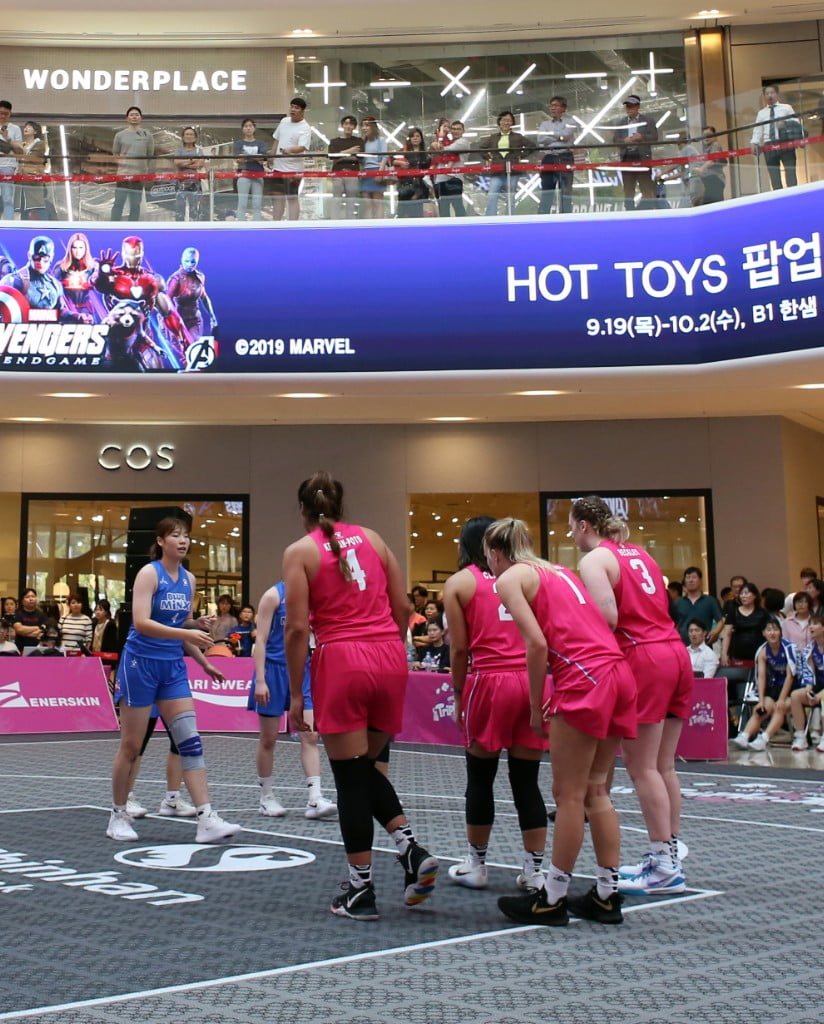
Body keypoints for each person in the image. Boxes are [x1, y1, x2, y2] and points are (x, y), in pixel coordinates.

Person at [282, 470, 438, 921]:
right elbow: (403, 608)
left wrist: (296, 694)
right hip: (388, 657)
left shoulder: (300, 552)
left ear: (302, 510)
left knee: (350, 778)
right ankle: (409, 850)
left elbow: (295, 629)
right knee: (366, 769)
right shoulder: (373, 538)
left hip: (343, 659)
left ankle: (360, 889)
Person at [485, 518, 636, 927]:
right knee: (596, 789)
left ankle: (551, 897)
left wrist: (536, 706)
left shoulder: (509, 578)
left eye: (488, 558)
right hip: (618, 673)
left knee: (568, 795)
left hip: (586, 678)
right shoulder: (559, 570)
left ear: (495, 552)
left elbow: (536, 643)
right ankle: (607, 894)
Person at [569, 496, 693, 896]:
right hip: (674, 651)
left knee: (643, 768)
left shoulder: (594, 560)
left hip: (644, 656)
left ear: (583, 526)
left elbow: (607, 615)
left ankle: (664, 862)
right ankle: (668, 852)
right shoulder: (638, 552)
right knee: (663, 766)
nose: (571, 533)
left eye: (571, 526)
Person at [107, 515, 239, 843]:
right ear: (161, 541)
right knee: (132, 746)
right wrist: (188, 630)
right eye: (175, 535)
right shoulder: (149, 574)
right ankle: (118, 814)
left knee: (189, 739)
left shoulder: (189, 580)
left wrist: (202, 658)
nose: (183, 540)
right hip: (139, 665)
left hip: (172, 668)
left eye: (186, 536)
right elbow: (142, 622)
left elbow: (181, 631)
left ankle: (206, 818)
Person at [442, 516, 549, 893]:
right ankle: (534, 871)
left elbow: (458, 648)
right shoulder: (532, 575)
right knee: (527, 782)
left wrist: (457, 693)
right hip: (530, 678)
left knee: (480, 778)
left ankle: (476, 863)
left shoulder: (459, 583)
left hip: (488, 682)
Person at [248, 581, 337, 820]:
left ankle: (315, 798)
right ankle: (266, 798)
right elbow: (261, 641)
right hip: (273, 672)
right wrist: (260, 679)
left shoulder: (316, 597)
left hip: (303, 671)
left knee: (310, 735)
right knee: (269, 738)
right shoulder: (273, 595)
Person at [732, 618, 798, 751]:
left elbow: (790, 677)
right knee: (761, 708)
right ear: (763, 633)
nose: (772, 633)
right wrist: (761, 700)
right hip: (773, 688)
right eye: (769, 630)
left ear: (780, 632)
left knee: (780, 707)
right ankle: (744, 736)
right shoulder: (762, 651)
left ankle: (764, 738)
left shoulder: (789, 648)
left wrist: (781, 699)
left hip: (791, 689)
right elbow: (761, 677)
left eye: (775, 629)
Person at [613, 94, 658, 210]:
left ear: (638, 107)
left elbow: (654, 137)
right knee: (628, 189)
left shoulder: (648, 121)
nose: (629, 109)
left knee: (646, 187)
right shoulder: (621, 122)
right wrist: (624, 140)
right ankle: (629, 213)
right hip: (627, 158)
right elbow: (615, 140)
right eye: (627, 107)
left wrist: (641, 137)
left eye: (631, 106)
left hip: (642, 158)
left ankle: (647, 212)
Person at [270, 97, 312, 221]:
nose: (293, 109)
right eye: (292, 106)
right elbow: (276, 139)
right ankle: (275, 224)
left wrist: (290, 150)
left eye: (296, 108)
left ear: (302, 111)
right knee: (278, 198)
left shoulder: (305, 127)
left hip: (293, 170)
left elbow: (303, 147)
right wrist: (272, 155)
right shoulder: (284, 121)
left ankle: (293, 224)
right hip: (278, 168)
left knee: (292, 198)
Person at [751, 84, 799, 191]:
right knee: (774, 177)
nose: (769, 95)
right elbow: (758, 130)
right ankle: (780, 201)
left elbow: (796, 122)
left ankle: (794, 198)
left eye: (772, 93)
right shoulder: (761, 113)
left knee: (790, 174)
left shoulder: (786, 108)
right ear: (764, 96)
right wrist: (755, 143)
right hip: (769, 145)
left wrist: (785, 123)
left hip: (786, 142)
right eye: (767, 94)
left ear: (776, 94)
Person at [482, 111, 530, 216]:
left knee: (510, 197)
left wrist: (521, 156)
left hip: (512, 171)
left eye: (509, 120)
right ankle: (490, 218)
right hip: (497, 170)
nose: (506, 123)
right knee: (492, 195)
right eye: (504, 120)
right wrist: (488, 157)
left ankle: (510, 217)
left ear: (512, 123)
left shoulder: (518, 137)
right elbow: (481, 148)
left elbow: (531, 146)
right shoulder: (493, 137)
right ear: (499, 122)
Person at [166, 247, 218, 344]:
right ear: (182, 259)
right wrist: (167, 322)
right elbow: (166, 301)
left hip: (195, 320)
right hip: (178, 320)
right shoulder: (176, 279)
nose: (190, 264)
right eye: (187, 261)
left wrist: (212, 316)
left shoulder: (200, 277)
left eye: (193, 262)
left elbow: (204, 297)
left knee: (194, 347)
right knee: (181, 351)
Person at [111, 106, 155, 221]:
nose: (134, 117)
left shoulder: (147, 135)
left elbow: (150, 154)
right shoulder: (120, 135)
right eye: (131, 115)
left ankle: (133, 228)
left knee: (135, 204)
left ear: (141, 118)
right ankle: (113, 227)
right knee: (118, 202)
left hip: (139, 176)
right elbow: (115, 154)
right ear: (127, 118)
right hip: (123, 174)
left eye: (136, 114)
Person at [789, 615, 824, 752]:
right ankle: (800, 737)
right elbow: (809, 672)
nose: (811, 627)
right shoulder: (810, 648)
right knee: (796, 695)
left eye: (815, 624)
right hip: (819, 687)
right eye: (810, 624)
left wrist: (820, 696)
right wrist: (809, 689)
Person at [537, 96, 576, 214]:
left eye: (556, 105)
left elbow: (566, 135)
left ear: (563, 108)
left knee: (565, 191)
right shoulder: (544, 123)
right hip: (548, 157)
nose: (552, 108)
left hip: (565, 157)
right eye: (551, 106)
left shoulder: (571, 121)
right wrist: (559, 136)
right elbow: (540, 139)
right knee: (547, 190)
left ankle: (566, 217)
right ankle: (543, 217)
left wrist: (550, 135)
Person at [720, 582, 772, 666]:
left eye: (746, 593)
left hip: (759, 653)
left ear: (754, 595)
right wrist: (724, 654)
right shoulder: (733, 612)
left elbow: (769, 633)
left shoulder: (763, 613)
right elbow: (727, 634)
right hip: (738, 654)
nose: (743, 596)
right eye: (741, 593)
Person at [53, 232, 99, 323]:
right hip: (68, 309)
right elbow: (54, 289)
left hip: (86, 309)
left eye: (81, 248)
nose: (78, 251)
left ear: (86, 248)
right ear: (70, 249)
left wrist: (95, 280)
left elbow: (100, 288)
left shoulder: (93, 266)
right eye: (74, 247)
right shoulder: (61, 267)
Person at [674, 566, 724, 644]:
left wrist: (715, 632)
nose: (690, 580)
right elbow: (673, 624)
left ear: (700, 581)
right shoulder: (678, 602)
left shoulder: (710, 600)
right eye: (688, 578)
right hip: (682, 646)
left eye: (694, 577)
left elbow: (720, 622)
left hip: (704, 645)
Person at [430, 119, 469, 217]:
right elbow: (434, 154)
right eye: (454, 129)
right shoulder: (448, 141)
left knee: (457, 205)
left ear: (463, 131)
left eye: (458, 129)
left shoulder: (463, 142)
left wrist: (437, 145)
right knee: (443, 208)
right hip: (441, 178)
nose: (456, 131)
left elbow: (443, 149)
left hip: (455, 177)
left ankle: (462, 229)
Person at [328, 114, 363, 219]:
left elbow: (359, 158)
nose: (348, 126)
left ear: (354, 127)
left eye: (351, 124)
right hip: (337, 173)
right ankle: (334, 223)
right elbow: (332, 156)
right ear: (342, 125)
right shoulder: (334, 141)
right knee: (336, 200)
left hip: (353, 173)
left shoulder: (359, 141)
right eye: (346, 124)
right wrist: (349, 152)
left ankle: (351, 223)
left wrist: (341, 155)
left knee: (351, 200)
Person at [233, 117, 267, 221]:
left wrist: (247, 157)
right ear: (243, 129)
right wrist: (255, 157)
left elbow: (262, 159)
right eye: (246, 126)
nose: (248, 128)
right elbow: (239, 159)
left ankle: (257, 227)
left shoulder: (261, 143)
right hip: (244, 175)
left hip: (258, 175)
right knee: (242, 203)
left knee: (257, 204)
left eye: (250, 126)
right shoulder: (238, 143)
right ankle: (240, 226)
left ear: (254, 128)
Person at [395, 127, 431, 219]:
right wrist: (400, 163)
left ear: (421, 138)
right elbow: (390, 159)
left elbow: (429, 169)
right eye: (412, 136)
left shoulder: (426, 154)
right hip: (405, 185)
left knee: (417, 214)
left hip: (420, 187)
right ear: (409, 139)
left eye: (417, 136)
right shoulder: (404, 151)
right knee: (403, 214)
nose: (415, 138)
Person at [358, 117, 389, 219]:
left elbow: (385, 156)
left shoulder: (380, 140)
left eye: (367, 125)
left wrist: (380, 173)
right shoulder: (363, 142)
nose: (364, 128)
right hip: (365, 173)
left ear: (373, 127)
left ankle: (380, 227)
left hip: (376, 170)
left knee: (378, 203)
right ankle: (368, 228)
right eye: (362, 125)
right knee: (367, 205)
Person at [174, 126, 205, 222]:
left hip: (195, 182)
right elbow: (177, 163)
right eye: (187, 134)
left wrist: (185, 163)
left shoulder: (199, 150)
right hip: (181, 182)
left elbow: (199, 165)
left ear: (195, 137)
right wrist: (192, 160)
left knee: (194, 209)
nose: (189, 136)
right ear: (183, 137)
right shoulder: (179, 150)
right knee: (179, 209)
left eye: (191, 134)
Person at [18, 120, 48, 220]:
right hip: (21, 180)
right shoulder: (22, 144)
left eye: (29, 126)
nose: (25, 128)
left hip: (33, 179)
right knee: (23, 207)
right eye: (25, 126)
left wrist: (17, 147)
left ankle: (45, 229)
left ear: (35, 131)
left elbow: (32, 157)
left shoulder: (40, 144)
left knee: (38, 206)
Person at [0, 100, 23, 221]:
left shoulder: (15, 128)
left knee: (7, 198)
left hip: (8, 166)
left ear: (10, 114)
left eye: (6, 113)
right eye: (0, 113)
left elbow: (20, 151)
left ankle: (8, 224)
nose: (3, 116)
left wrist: (7, 138)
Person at [691, 126, 726, 205]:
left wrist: (701, 169)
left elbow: (712, 160)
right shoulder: (706, 149)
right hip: (708, 181)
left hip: (715, 179)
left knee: (712, 205)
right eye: (704, 135)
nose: (706, 137)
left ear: (715, 136)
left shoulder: (715, 145)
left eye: (709, 135)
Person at [12, 588, 48, 653]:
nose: (31, 599)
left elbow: (42, 633)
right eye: (27, 597)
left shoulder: (42, 615)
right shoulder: (18, 614)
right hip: (20, 649)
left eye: (33, 596)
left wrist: (24, 632)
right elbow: (19, 629)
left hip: (38, 650)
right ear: (22, 601)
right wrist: (37, 627)